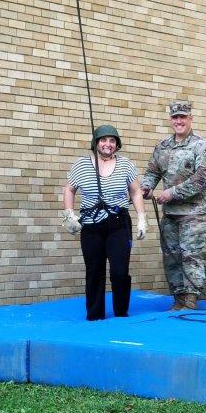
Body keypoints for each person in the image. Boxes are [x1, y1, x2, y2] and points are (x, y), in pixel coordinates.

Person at [62, 124, 148, 321]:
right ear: (96, 143)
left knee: (120, 271)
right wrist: (69, 214)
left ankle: (121, 312)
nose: (107, 144)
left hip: (118, 223)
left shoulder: (126, 165)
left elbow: (136, 192)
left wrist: (142, 218)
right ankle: (95, 315)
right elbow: (69, 189)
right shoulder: (81, 165)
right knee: (94, 270)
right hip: (91, 224)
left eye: (112, 140)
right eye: (103, 140)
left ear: (117, 144)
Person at [141, 100, 206, 310]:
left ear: (191, 118)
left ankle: (191, 300)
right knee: (171, 257)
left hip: (194, 213)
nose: (179, 121)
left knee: (191, 256)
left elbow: (202, 178)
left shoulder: (202, 146)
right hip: (170, 215)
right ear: (171, 119)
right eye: (175, 117)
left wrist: (171, 193)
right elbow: (152, 172)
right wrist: (146, 187)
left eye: (183, 117)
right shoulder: (162, 147)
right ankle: (179, 299)